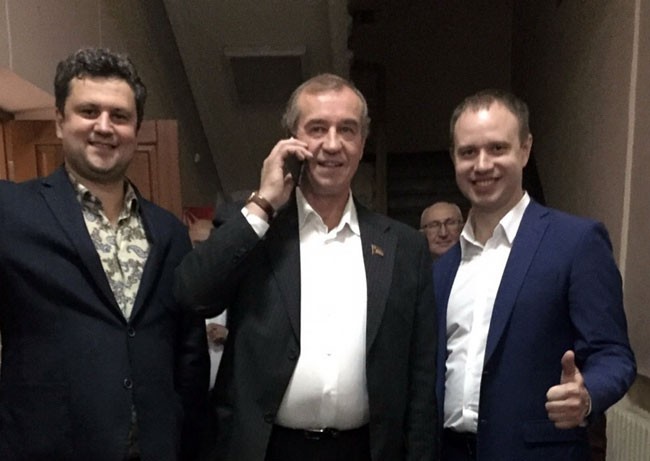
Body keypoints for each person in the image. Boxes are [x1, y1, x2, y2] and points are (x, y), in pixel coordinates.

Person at [175, 73, 438, 461]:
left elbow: (420, 375)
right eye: (317, 129)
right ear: (292, 142)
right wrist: (264, 202)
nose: (332, 144)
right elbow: (192, 294)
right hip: (266, 450)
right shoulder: (255, 229)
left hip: (365, 451)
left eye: (347, 129)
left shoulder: (404, 247)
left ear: (362, 143)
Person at [0, 47, 209, 461]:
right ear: (59, 121)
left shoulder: (168, 231)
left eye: (119, 116)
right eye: (88, 111)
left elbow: (188, 352)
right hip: (48, 447)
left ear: (136, 129)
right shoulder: (11, 212)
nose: (104, 126)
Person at [434, 89, 636, 460]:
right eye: (468, 152)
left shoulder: (576, 242)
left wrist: (586, 395)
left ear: (525, 150)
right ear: (454, 158)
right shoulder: (442, 268)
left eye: (497, 148)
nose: (482, 164)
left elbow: (614, 354)